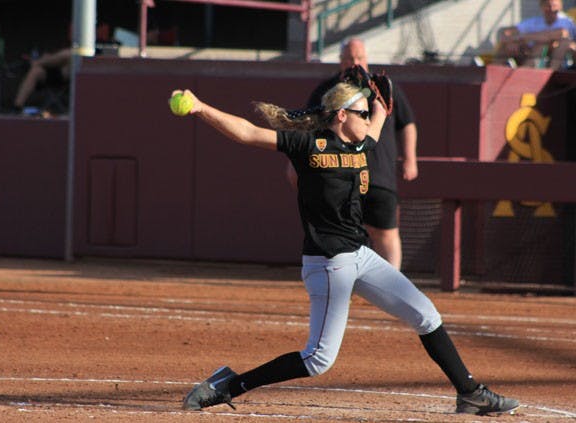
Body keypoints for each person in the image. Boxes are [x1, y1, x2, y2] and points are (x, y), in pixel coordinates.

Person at [175, 82, 520, 415]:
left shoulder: (361, 144)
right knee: (318, 360)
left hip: (361, 255)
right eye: (362, 114)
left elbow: (379, 120)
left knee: (426, 315)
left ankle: (470, 394)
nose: (368, 120)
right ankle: (227, 386)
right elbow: (248, 133)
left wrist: (382, 105)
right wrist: (200, 108)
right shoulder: (308, 145)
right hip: (328, 263)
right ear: (341, 116)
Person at [289, 38, 417, 270]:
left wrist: (410, 158)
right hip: (339, 174)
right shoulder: (327, 91)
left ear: (367, 59)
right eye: (349, 58)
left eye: (359, 58)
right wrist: (298, 167)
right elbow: (307, 128)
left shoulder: (382, 86)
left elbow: (406, 123)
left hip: (379, 174)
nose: (355, 63)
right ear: (340, 61)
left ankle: (392, 282)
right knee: (344, 234)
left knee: (385, 233)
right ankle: (343, 280)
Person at [496, 0, 576, 69]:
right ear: (542, 7)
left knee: (543, 45)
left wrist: (523, 38)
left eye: (554, 6)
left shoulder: (565, 21)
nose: (551, 9)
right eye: (547, 6)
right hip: (530, 52)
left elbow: (560, 34)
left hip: (558, 55)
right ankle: (493, 73)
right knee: (506, 46)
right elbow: (506, 33)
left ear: (560, 7)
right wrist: (515, 42)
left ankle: (529, 73)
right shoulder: (535, 22)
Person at [12, 47, 71, 113]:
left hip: (69, 80)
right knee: (36, 71)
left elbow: (63, 56)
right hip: (54, 75)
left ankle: (37, 62)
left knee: (68, 54)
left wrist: (40, 61)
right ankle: (17, 107)